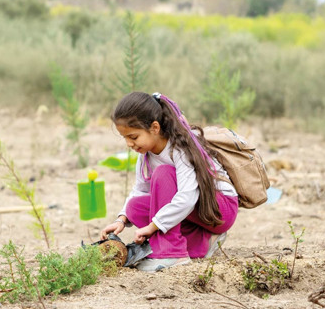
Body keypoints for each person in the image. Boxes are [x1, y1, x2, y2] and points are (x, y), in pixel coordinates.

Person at [101, 92, 239, 272]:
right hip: (194, 210)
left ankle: (171, 252)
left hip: (219, 208)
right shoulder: (145, 156)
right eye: (124, 138)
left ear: (155, 128)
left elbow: (188, 197)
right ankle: (203, 242)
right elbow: (140, 190)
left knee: (164, 174)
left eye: (133, 137)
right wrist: (121, 220)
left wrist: (153, 226)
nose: (129, 143)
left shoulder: (179, 148)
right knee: (134, 207)